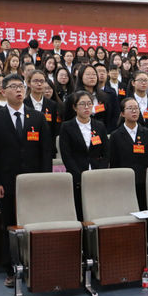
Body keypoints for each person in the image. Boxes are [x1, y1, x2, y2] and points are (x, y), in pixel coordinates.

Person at [0, 74, 52, 287]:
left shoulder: (37, 117)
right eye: (13, 86)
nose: (19, 90)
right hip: (6, 183)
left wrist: (44, 180)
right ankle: (11, 269)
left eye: (21, 86)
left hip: (33, 183)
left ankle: (37, 265)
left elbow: (46, 152)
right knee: (10, 225)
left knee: (35, 224)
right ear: (3, 91)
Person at [59, 91, 109, 220]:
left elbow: (106, 152)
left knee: (98, 210)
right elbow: (66, 156)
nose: (86, 107)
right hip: (77, 176)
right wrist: (79, 176)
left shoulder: (99, 126)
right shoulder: (67, 127)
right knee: (80, 211)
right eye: (82, 104)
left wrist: (100, 171)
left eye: (89, 104)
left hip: (97, 175)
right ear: (74, 107)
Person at [109, 97, 148, 210]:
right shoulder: (115, 136)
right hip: (124, 182)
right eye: (130, 108)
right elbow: (114, 162)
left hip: (144, 181)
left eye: (136, 108)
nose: (134, 111)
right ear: (122, 113)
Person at [24, 70, 59, 156]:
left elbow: (55, 129)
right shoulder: (23, 104)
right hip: (27, 149)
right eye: (35, 81)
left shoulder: (52, 105)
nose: (39, 84)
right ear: (28, 83)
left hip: (47, 149)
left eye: (42, 81)